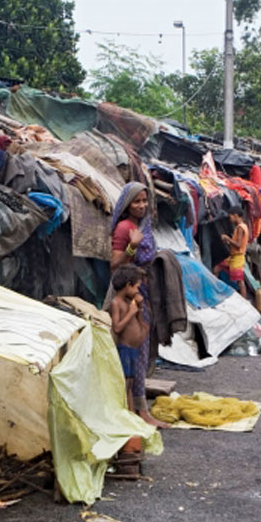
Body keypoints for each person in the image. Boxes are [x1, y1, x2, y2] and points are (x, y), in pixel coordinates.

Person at [110, 182, 158, 412]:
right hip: (129, 295)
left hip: (142, 292)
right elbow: (115, 264)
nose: (142, 205)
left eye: (144, 200)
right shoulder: (124, 228)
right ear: (127, 204)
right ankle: (136, 409)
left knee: (143, 346)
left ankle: (139, 408)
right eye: (136, 201)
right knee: (133, 351)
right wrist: (132, 247)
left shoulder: (142, 226)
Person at [108, 264, 166, 428]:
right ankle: (126, 418)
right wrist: (132, 312)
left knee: (131, 384)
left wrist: (139, 310)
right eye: (137, 287)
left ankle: (132, 417)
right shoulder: (117, 303)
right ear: (128, 285)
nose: (138, 291)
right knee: (125, 385)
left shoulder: (130, 303)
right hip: (124, 350)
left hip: (133, 350)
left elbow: (142, 325)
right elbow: (117, 327)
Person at [221, 205, 250, 298]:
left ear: (236, 215)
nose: (230, 219)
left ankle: (245, 302)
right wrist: (229, 242)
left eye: (230, 216)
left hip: (237, 257)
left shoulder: (240, 228)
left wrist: (228, 238)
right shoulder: (243, 226)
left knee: (240, 281)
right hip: (234, 256)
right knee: (217, 268)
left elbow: (238, 244)